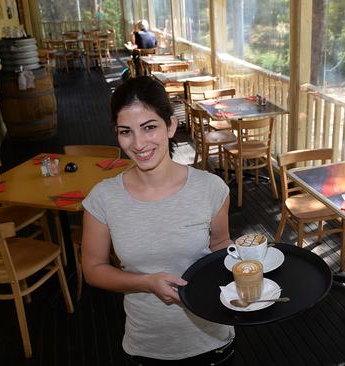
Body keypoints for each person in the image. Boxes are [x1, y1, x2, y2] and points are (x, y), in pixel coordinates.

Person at [81, 76, 234, 365]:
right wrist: (146, 283)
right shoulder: (102, 199)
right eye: (126, 131)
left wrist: (243, 268)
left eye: (149, 127)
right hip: (148, 346)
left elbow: (221, 244)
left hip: (212, 338)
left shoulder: (211, 189)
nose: (138, 144)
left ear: (171, 126)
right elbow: (93, 269)